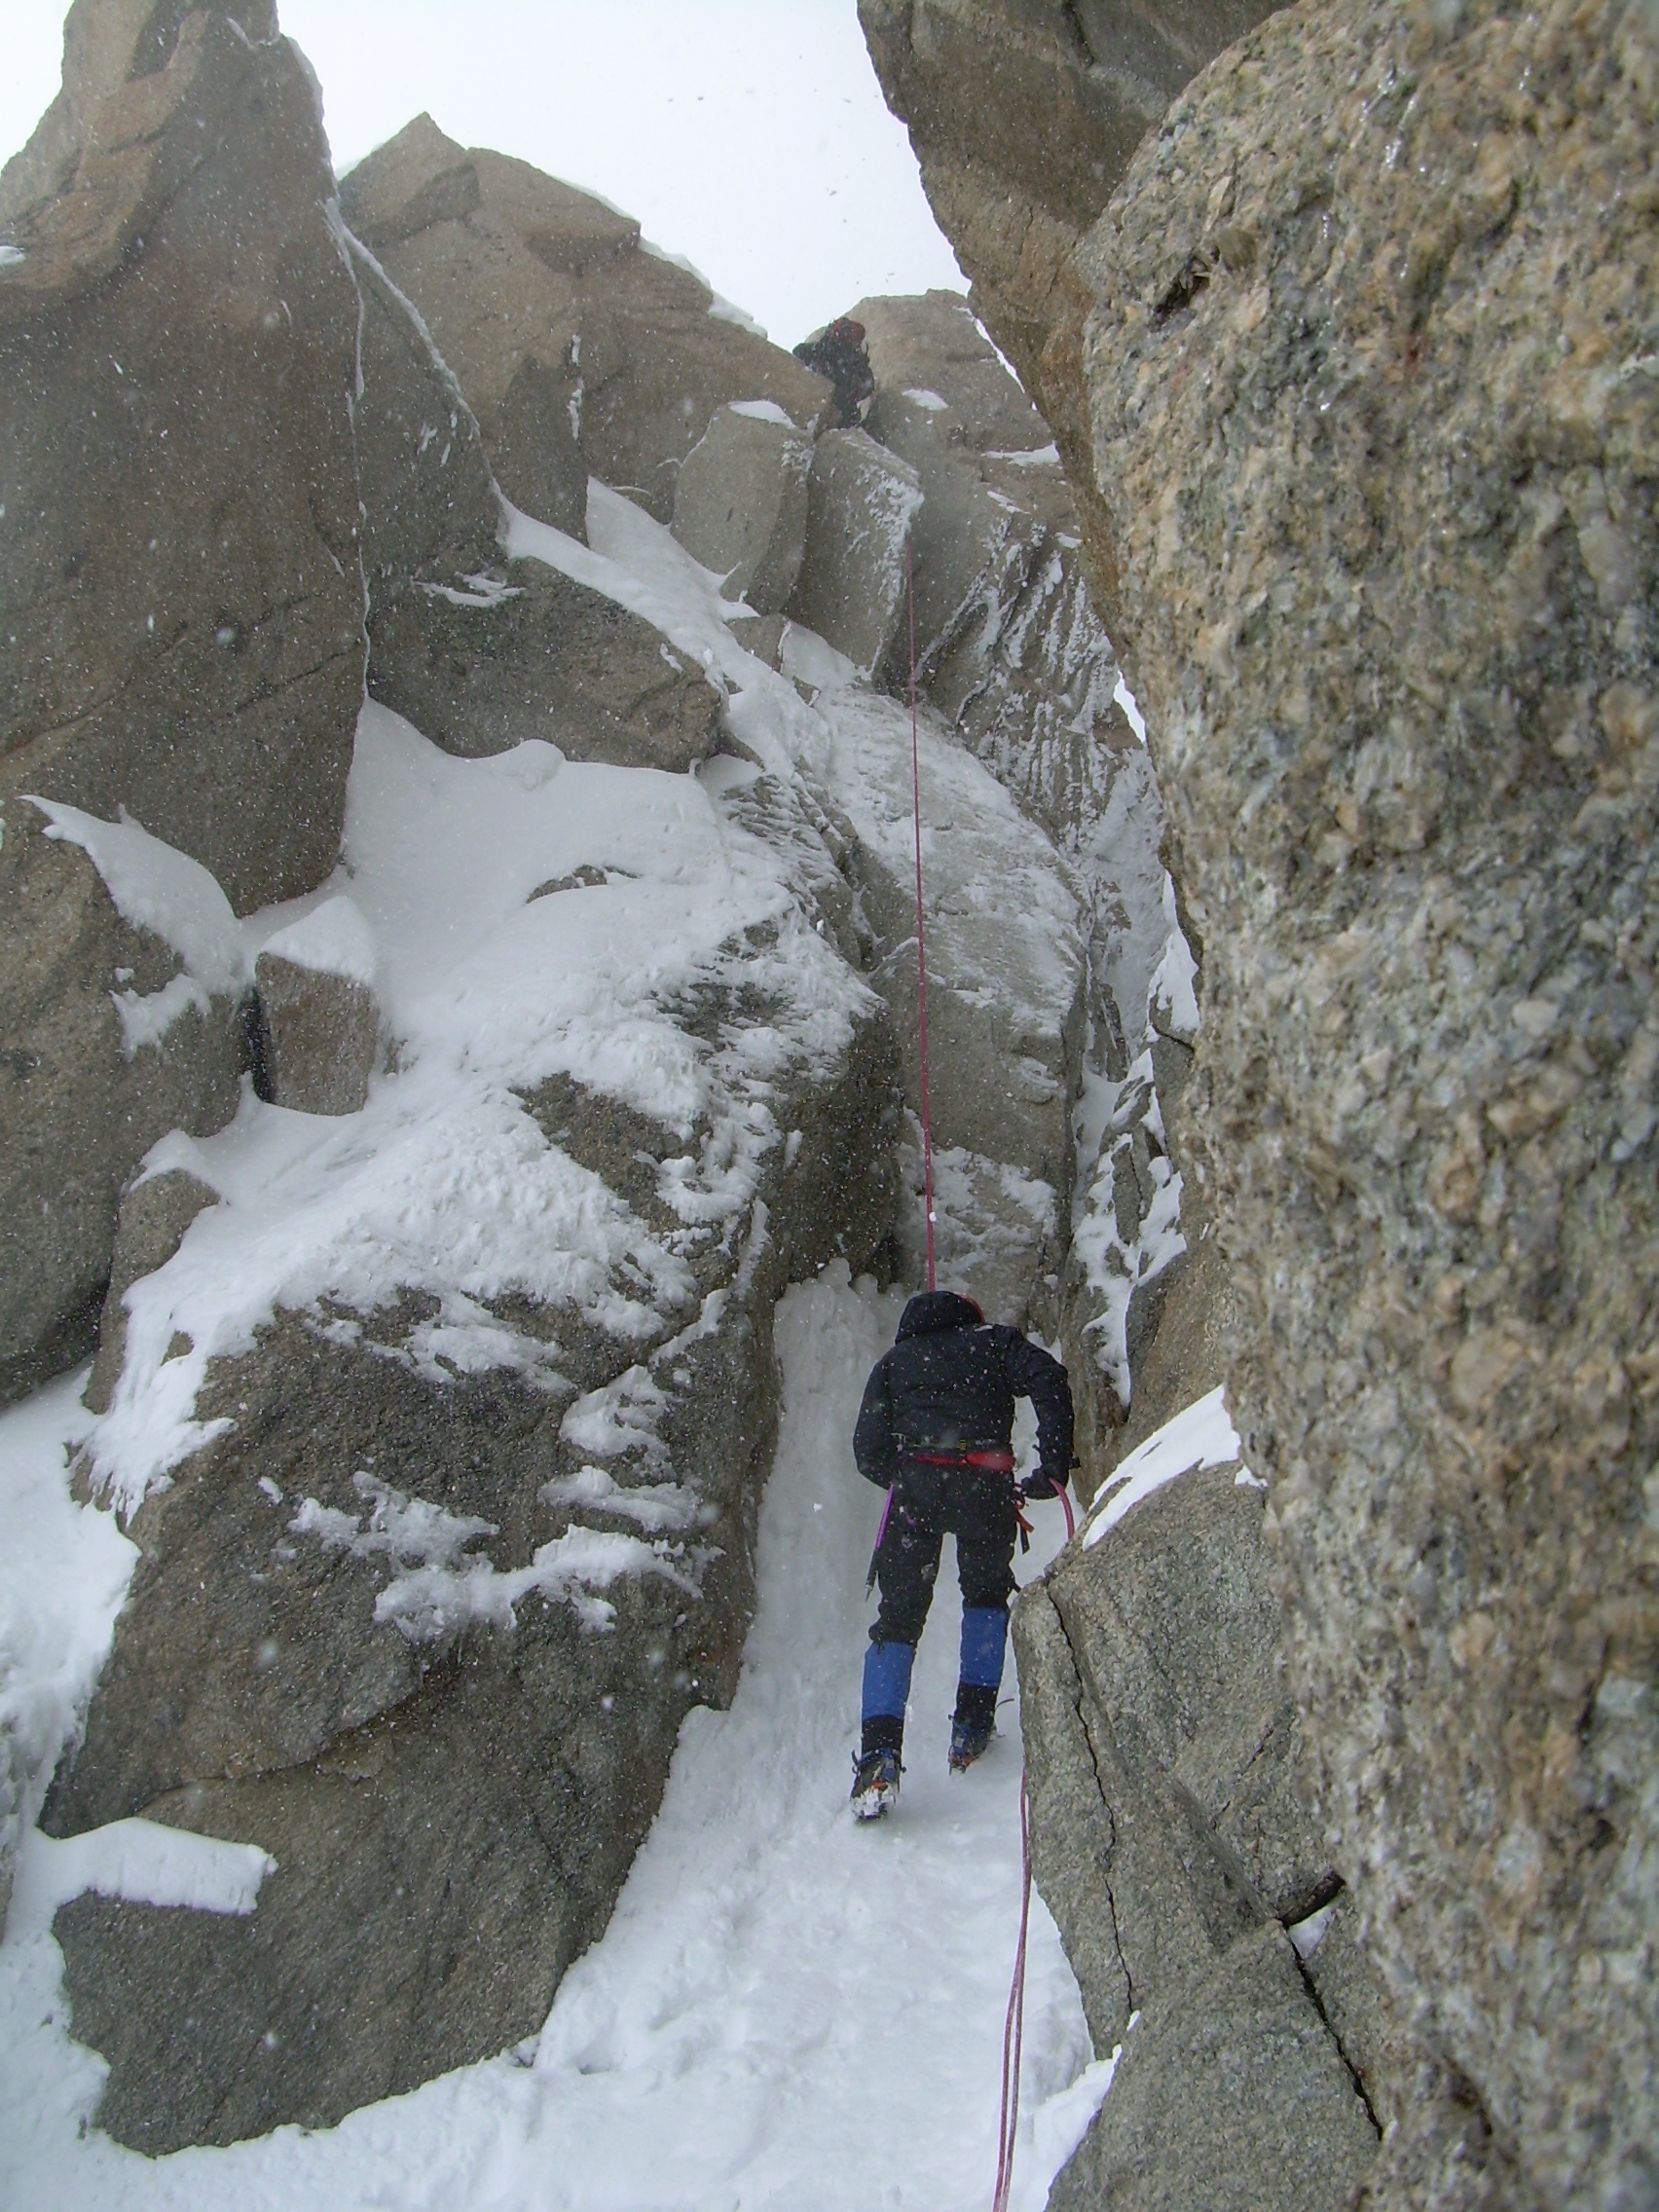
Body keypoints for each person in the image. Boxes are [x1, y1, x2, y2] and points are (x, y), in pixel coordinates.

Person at [848, 1289, 1074, 1820]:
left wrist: (908, 1477)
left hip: (916, 1491)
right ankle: (971, 1727)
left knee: (897, 1620)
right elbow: (1049, 1378)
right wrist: (1053, 1464)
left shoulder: (895, 1362)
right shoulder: (993, 1344)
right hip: (984, 1483)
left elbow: (867, 1449)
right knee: (986, 1596)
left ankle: (878, 1757)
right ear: (968, 1316)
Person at [792, 315, 875, 429]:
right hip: (842, 416)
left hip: (816, 409)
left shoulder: (817, 352)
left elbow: (798, 353)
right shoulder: (854, 363)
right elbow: (867, 386)